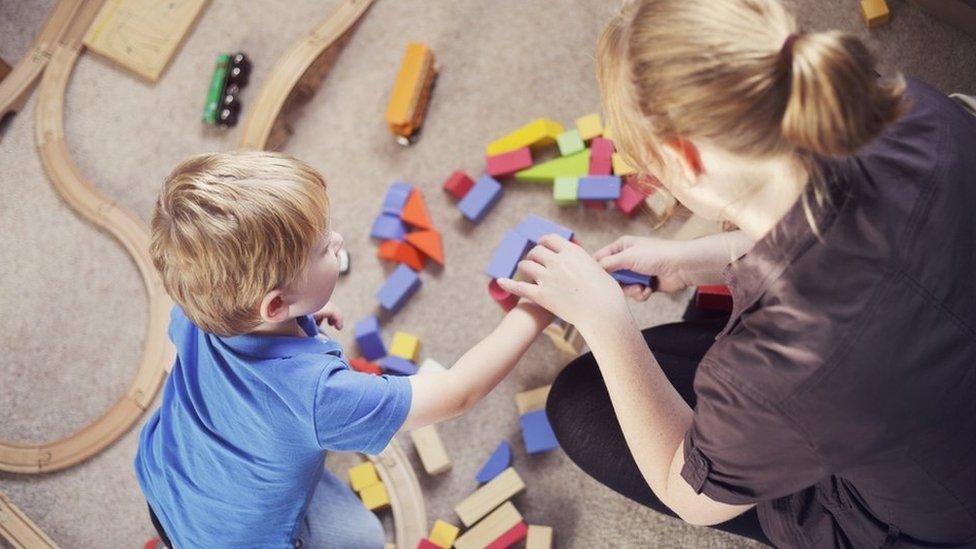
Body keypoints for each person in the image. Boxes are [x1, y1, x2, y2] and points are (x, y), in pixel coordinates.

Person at [497, 0, 976, 546]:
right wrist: (701, 255)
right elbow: (867, 233)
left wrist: (606, 323)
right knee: (698, 343)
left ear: (684, 160)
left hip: (938, 520)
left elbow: (688, 495)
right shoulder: (918, 109)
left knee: (581, 402)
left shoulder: (772, 363)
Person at [135, 151, 552, 548]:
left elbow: (184, 361)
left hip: (166, 478)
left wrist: (302, 313)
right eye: (323, 249)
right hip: (242, 541)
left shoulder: (194, 310)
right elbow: (457, 392)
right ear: (276, 304)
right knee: (364, 538)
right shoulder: (320, 396)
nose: (337, 240)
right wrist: (534, 309)